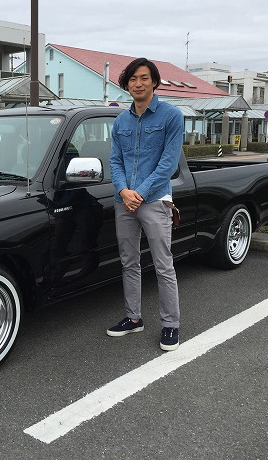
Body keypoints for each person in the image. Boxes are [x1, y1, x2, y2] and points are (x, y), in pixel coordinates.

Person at [107, 58, 184, 351]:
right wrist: (123, 191)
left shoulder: (171, 116)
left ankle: (170, 325)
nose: (138, 84)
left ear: (154, 82)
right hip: (124, 201)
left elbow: (168, 164)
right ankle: (133, 318)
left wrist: (138, 193)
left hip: (154, 200)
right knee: (129, 262)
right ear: (127, 85)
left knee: (163, 264)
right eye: (132, 79)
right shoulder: (121, 122)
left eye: (143, 78)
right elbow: (115, 161)